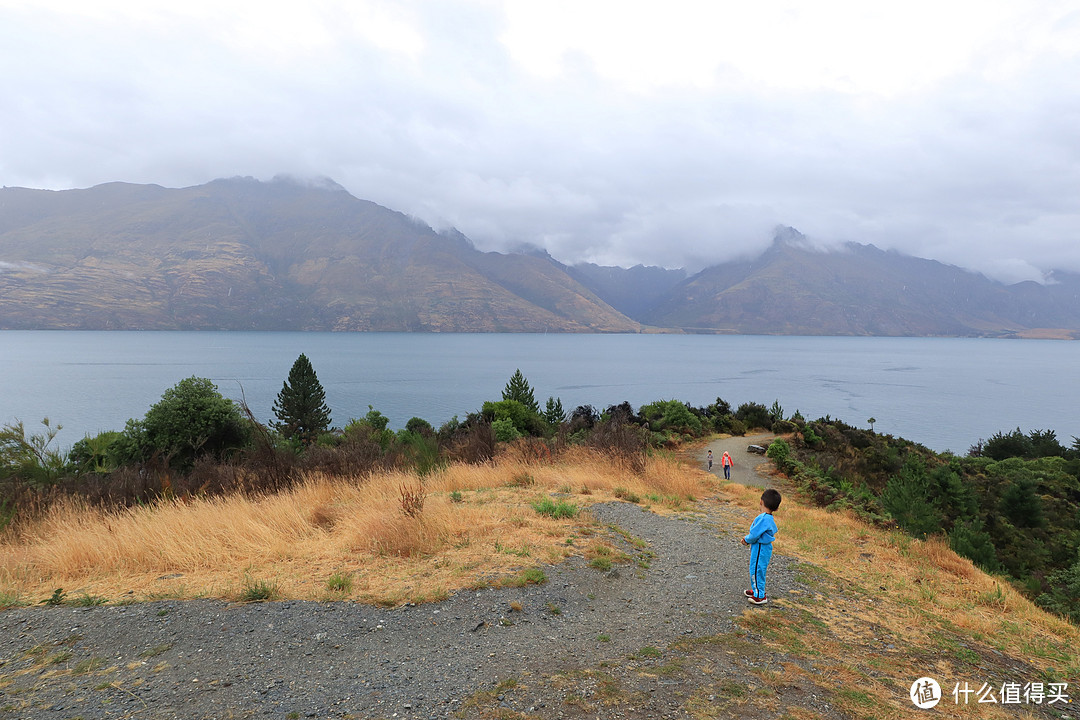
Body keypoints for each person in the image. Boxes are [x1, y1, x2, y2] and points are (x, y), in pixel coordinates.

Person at [741, 488, 781, 605]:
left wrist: (746, 540)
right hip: (764, 548)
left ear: (761, 502)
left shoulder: (763, 518)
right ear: (777, 508)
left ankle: (760, 595)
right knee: (759, 569)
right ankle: (757, 589)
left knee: (756, 569)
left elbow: (754, 534)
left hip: (760, 547)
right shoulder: (769, 518)